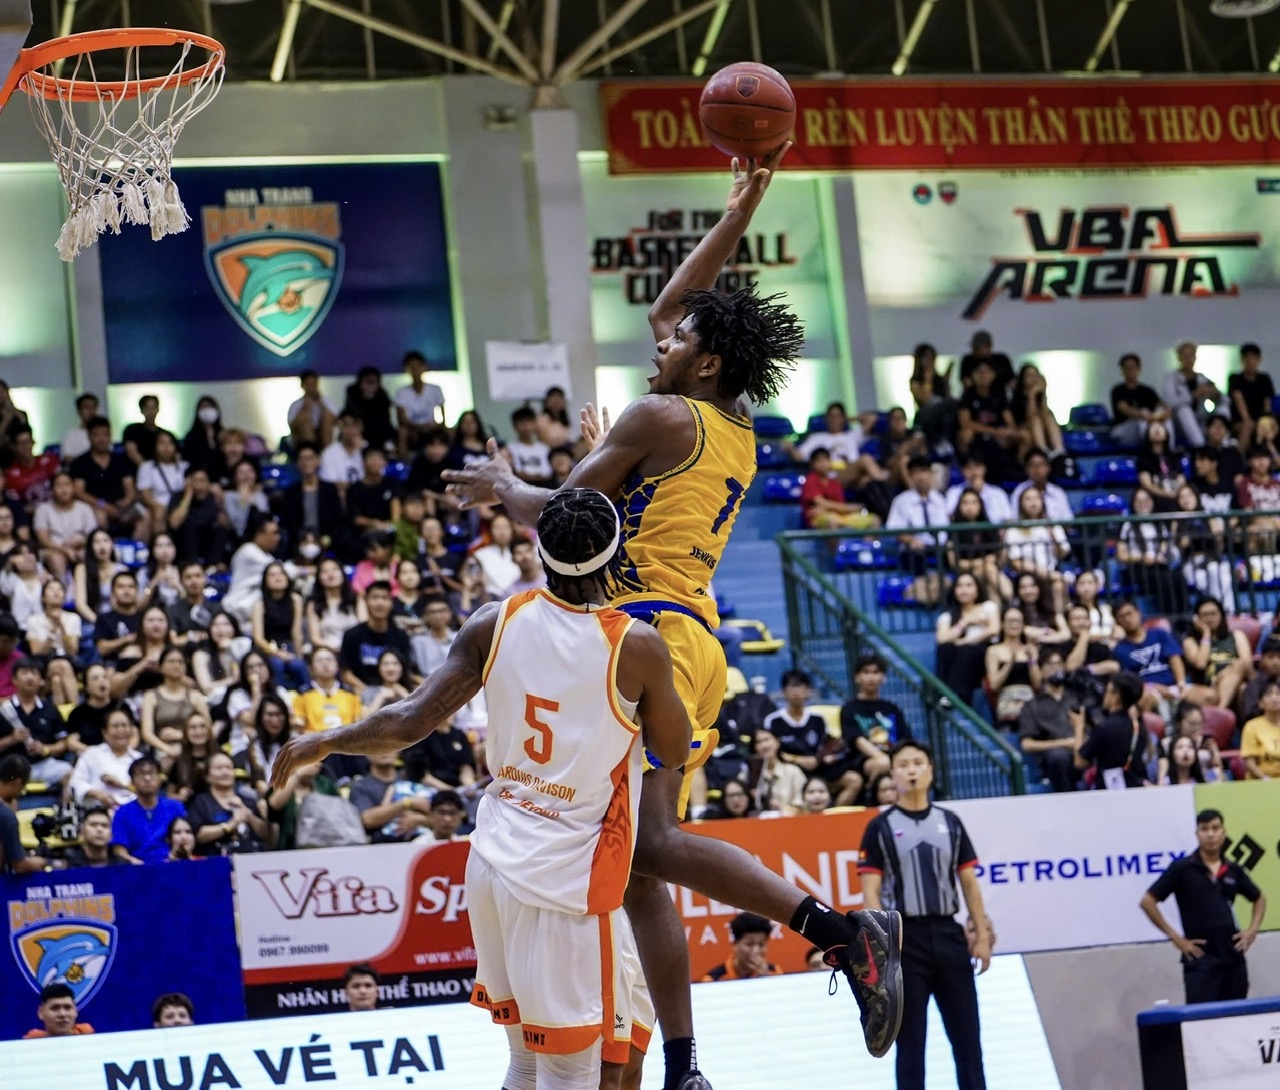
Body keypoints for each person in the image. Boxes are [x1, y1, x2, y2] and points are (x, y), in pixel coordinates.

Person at [442, 149, 904, 1082]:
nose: (659, 339)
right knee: (642, 865)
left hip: (651, 640)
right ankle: (686, 1064)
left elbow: (556, 515)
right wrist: (740, 210)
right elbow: (669, 310)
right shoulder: (729, 424)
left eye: (679, 338)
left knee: (649, 847)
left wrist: (503, 483)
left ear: (709, 358)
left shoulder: (658, 417)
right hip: (676, 637)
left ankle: (844, 932)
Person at [271, 489, 694, 1090]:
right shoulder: (637, 645)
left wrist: (323, 741)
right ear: (614, 554)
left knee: (528, 1061)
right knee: (575, 1072)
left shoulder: (495, 621)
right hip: (568, 874)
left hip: (493, 855)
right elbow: (675, 751)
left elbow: (410, 720)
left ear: (538, 550)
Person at [859, 740, 990, 1090]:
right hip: (905, 944)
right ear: (893, 774)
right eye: (903, 764)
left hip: (949, 936)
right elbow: (870, 892)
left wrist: (983, 935)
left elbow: (969, 883)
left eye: (919, 762)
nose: (912, 769)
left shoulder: (951, 822)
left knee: (968, 1041)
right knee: (910, 1046)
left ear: (931, 770)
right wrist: (878, 953)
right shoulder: (879, 827)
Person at [1140, 809, 1267, 1004]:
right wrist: (1176, 938)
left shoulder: (1233, 870)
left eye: (1215, 828)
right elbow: (1148, 901)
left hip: (1232, 958)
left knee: (1237, 1021)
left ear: (1224, 832)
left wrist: (1252, 930)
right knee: (1201, 1025)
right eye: (1204, 829)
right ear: (1196, 834)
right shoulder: (1182, 868)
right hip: (1201, 961)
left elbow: (1259, 898)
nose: (1210, 834)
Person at [1072, 671, 1151, 789]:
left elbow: (1079, 761)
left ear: (1116, 696)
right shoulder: (1139, 727)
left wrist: (1078, 727)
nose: (1105, 695)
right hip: (1135, 789)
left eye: (1108, 691)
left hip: (1108, 793)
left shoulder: (1104, 728)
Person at [1017, 646, 1079, 793]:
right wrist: (1063, 743)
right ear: (1041, 670)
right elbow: (1027, 744)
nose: (1055, 669)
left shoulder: (1077, 697)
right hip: (1057, 755)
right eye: (1050, 665)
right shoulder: (1032, 705)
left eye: (1058, 664)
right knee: (1058, 757)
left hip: (1084, 750)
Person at [112, 756, 187, 864]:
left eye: (152, 773)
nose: (147, 778)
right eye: (141, 774)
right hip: (137, 870)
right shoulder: (123, 813)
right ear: (132, 782)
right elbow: (119, 850)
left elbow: (186, 839)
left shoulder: (175, 807)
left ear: (160, 779)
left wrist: (175, 856)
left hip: (173, 864)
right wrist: (135, 863)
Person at [1163, 341, 1222, 450]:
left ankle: (1222, 443)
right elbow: (1170, 402)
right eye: (1185, 355)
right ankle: (1200, 446)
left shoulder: (1202, 378)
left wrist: (1214, 394)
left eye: (1191, 355)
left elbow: (1219, 396)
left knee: (1221, 409)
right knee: (1183, 409)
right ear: (1179, 358)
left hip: (1200, 419)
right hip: (1178, 423)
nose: (1188, 359)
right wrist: (1193, 395)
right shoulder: (1171, 379)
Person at [700, 913, 782, 981]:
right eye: (749, 944)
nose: (755, 951)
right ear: (735, 944)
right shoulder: (713, 979)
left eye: (761, 944)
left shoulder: (775, 972)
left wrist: (765, 978)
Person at [1, 754, 47, 874]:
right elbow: (20, 865)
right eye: (23, 788)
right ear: (17, 783)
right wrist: (44, 862)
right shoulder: (5, 815)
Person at [1110, 352, 1168, 447]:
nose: (1130, 370)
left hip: (1148, 423)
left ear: (1139, 369)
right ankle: (1147, 452)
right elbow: (1124, 409)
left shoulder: (1148, 391)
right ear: (1122, 371)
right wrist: (1143, 415)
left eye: (1133, 367)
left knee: (1165, 423)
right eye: (1127, 368)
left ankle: (1167, 451)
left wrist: (1162, 414)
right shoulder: (1118, 390)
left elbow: (1162, 406)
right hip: (1123, 428)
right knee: (1141, 422)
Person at [396, 350, 446, 457]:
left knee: (450, 431)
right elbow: (402, 419)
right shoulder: (402, 392)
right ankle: (405, 464)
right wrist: (416, 428)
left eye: (418, 366)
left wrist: (437, 425)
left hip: (432, 427)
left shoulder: (435, 389)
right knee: (402, 433)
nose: (415, 370)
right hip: (412, 428)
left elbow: (443, 416)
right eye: (411, 367)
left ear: (424, 367)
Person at [63, 806, 129, 868]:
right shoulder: (68, 866)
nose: (99, 830)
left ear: (111, 834)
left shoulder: (123, 866)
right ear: (81, 832)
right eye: (93, 825)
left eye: (104, 826)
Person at [1240, 677, 1280, 780]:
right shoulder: (1252, 726)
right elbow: (1249, 762)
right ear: (1261, 703)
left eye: (1278, 694)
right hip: (1261, 782)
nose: (1275, 698)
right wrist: (1265, 779)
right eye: (1269, 694)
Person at [288, 370, 338, 449]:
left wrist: (322, 406)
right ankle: (311, 450)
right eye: (308, 384)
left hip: (323, 435)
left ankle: (326, 452)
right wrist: (305, 408)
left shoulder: (326, 401)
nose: (311, 388)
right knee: (305, 417)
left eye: (313, 384)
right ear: (302, 385)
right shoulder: (296, 404)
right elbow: (292, 426)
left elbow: (337, 420)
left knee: (327, 416)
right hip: (301, 438)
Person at [22, 983, 95, 1038]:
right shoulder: (33, 1043)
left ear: (76, 1011)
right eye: (55, 1008)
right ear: (41, 1013)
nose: (62, 1014)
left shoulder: (88, 1037)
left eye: (67, 1007)